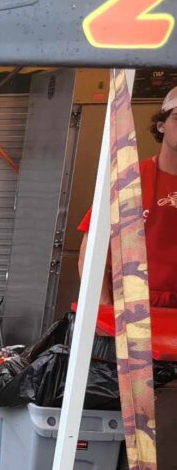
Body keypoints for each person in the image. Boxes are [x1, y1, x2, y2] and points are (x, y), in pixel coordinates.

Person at [79, 86, 177, 307]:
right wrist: (104, 308)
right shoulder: (130, 180)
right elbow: (90, 252)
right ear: (161, 125)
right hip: (132, 309)